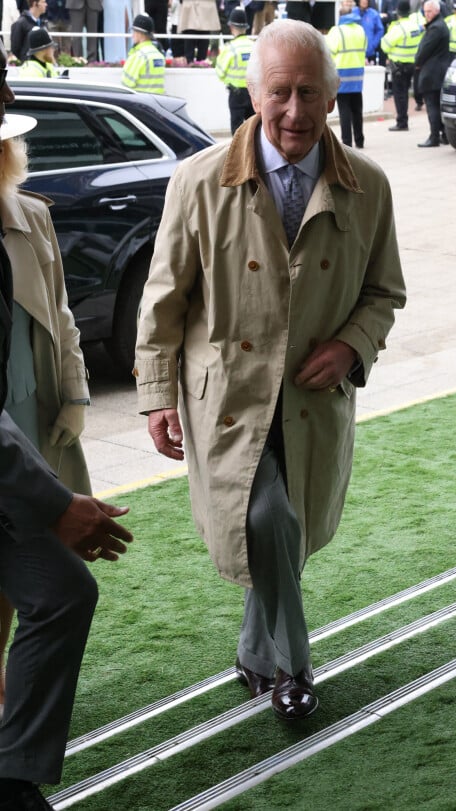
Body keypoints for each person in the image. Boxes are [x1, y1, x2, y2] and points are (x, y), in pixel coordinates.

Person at [134, 18, 406, 721]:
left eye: (309, 92)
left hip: (313, 400)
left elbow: (385, 293)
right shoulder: (197, 182)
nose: (294, 110)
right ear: (253, 94)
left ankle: (253, 654)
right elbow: (164, 298)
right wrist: (157, 394)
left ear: (333, 92)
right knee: (268, 516)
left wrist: (352, 345)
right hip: (228, 397)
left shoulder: (368, 186)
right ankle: (293, 666)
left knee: (282, 526)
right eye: (279, 92)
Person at [0, 47, 133, 809]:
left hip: (28, 450)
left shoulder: (32, 219)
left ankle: (13, 772)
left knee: (53, 595)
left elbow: (64, 327)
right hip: (13, 470)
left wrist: (74, 405)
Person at [0, 111, 92, 715]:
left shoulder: (30, 216)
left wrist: (75, 394)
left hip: (26, 413)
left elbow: (59, 315)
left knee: (24, 563)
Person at [327, 0, 367, 149]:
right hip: (358, 75)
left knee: (344, 111)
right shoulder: (360, 30)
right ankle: (360, 140)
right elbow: (366, 48)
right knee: (357, 109)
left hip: (342, 76)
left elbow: (329, 51)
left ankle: (347, 142)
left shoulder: (336, 31)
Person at [381, 0, 424, 131]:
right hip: (412, 64)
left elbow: (385, 45)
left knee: (400, 95)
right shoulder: (416, 26)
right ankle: (403, 120)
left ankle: (402, 122)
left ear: (398, 13)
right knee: (405, 92)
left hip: (399, 66)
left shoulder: (398, 28)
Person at [215, 6, 255, 135]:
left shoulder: (230, 48)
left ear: (231, 27)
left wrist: (230, 80)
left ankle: (238, 154)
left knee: (237, 130)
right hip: (253, 92)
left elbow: (220, 72)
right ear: (246, 27)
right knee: (254, 128)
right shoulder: (254, 46)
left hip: (236, 94)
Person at [415, 0, 449, 147]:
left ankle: (434, 136)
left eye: (429, 11)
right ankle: (445, 135)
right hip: (438, 71)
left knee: (432, 106)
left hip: (432, 73)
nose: (426, 14)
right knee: (437, 105)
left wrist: (417, 61)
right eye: (425, 11)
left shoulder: (435, 28)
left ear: (436, 11)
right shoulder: (439, 25)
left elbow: (425, 50)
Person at [122, 13, 165, 94]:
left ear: (140, 33)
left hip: (141, 101)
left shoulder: (138, 56)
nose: (132, 35)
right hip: (158, 101)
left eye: (134, 31)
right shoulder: (159, 55)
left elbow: (126, 83)